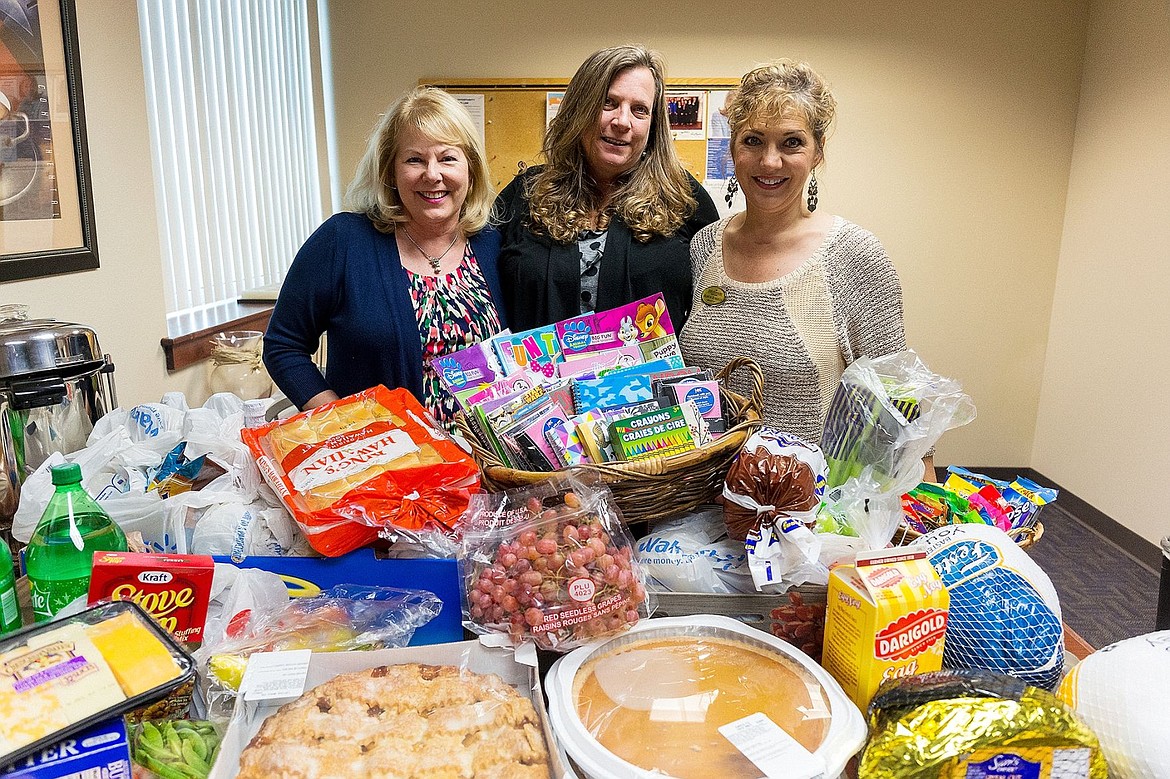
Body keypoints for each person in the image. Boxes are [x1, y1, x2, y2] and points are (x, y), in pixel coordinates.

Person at [679, 61, 931, 474]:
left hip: (804, 512)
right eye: (753, 140)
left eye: (791, 142)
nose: (770, 161)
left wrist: (908, 508)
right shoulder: (704, 245)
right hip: (695, 505)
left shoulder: (854, 254)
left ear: (818, 152)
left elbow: (898, 398)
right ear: (733, 149)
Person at [263, 86, 507, 431]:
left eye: (448, 158)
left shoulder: (496, 246)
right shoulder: (343, 241)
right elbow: (283, 344)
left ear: (471, 169)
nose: (432, 174)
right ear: (390, 171)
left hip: (489, 465)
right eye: (414, 159)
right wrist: (341, 420)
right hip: (385, 468)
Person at [495, 45, 719, 331]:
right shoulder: (525, 194)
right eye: (608, 103)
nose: (622, 122)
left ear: (653, 125)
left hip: (650, 375)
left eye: (639, 110)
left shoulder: (685, 199)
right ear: (580, 108)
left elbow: (713, 308)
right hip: (538, 375)